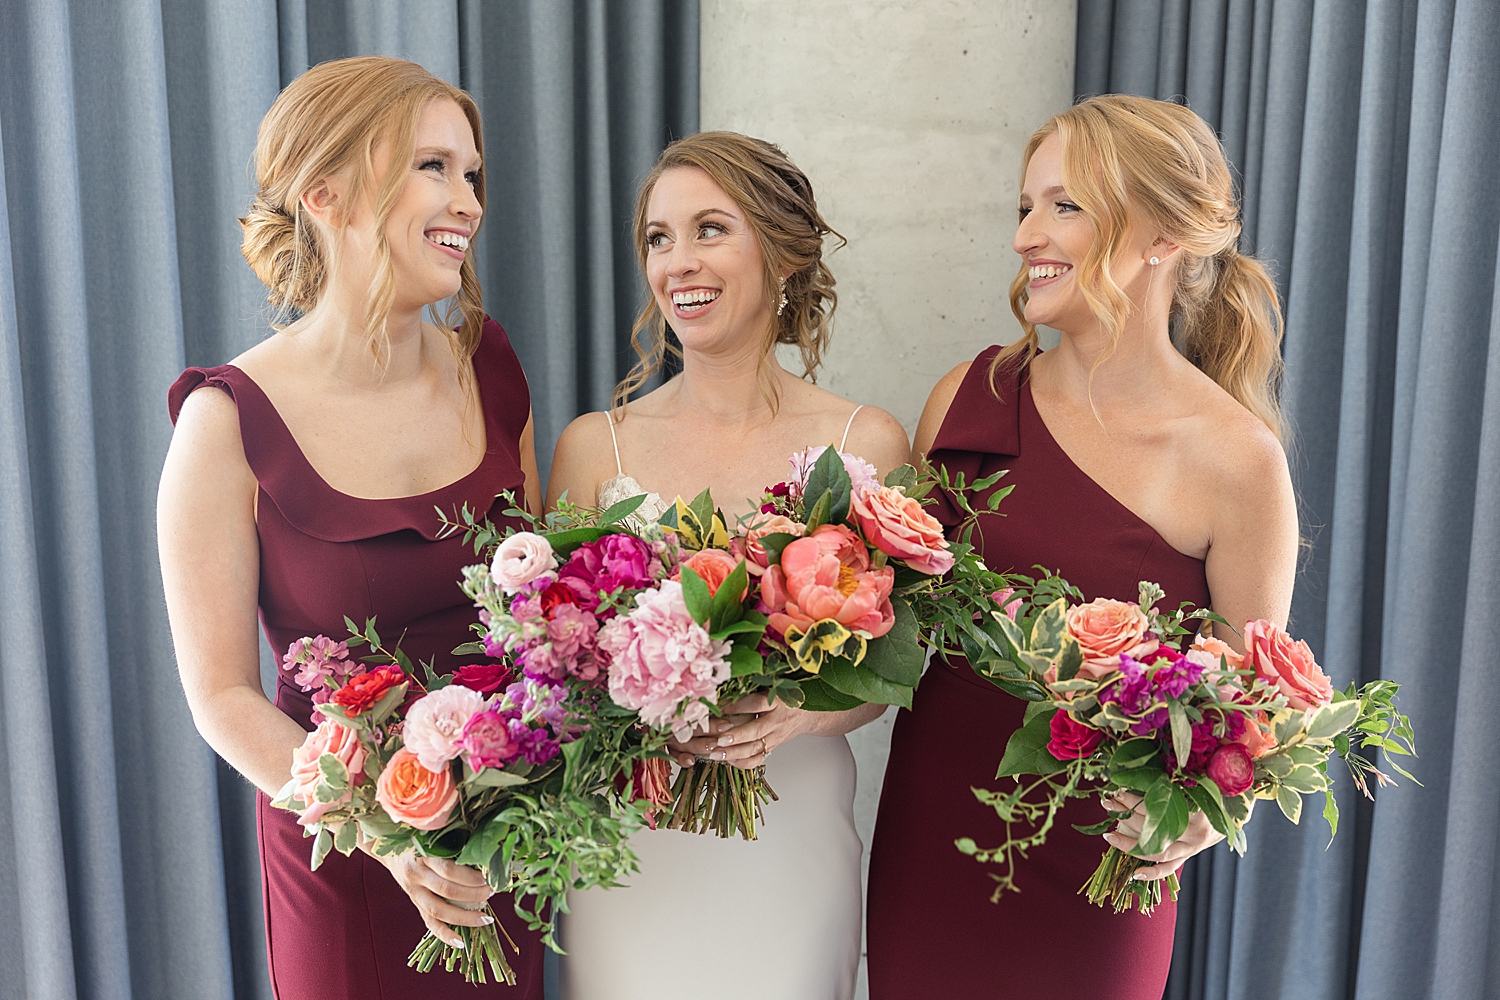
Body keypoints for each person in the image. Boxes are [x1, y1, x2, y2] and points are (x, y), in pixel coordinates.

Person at [866, 94, 1300, 998]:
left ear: (1161, 236)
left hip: (1103, 879)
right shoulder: (970, 395)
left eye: (1064, 206)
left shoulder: (1238, 463)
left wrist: (1203, 817)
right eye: (1025, 207)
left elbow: (1244, 720)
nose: (1029, 235)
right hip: (933, 848)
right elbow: (888, 628)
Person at [157, 57, 544, 999]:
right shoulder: (226, 420)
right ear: (324, 194)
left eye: (472, 172)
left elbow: (542, 622)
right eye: (432, 167)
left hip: (499, 857)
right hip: (346, 863)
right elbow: (221, 698)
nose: (469, 201)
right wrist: (390, 834)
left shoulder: (491, 373)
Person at [547, 131, 911, 1000]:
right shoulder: (595, 448)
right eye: (658, 237)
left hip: (791, 838)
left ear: (782, 254)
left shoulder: (867, 443)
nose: (679, 262)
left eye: (710, 228)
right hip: (634, 842)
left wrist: (802, 713)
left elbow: (900, 664)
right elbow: (553, 655)